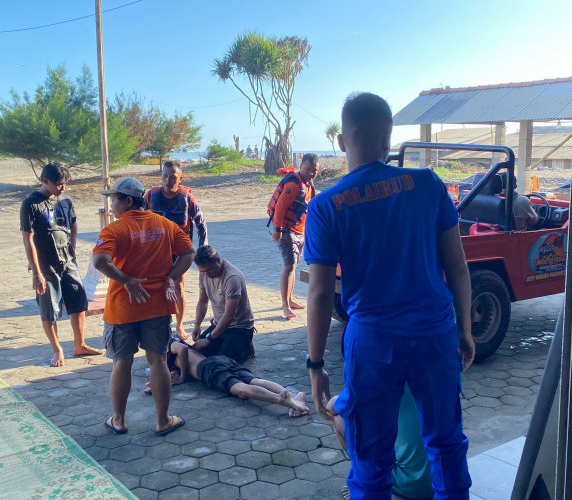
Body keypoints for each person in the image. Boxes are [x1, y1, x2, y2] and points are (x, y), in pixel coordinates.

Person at [305, 92, 474, 499]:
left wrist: (315, 365)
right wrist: (465, 331)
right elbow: (457, 268)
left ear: (341, 142)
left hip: (373, 345)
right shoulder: (428, 184)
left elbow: (321, 294)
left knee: (370, 459)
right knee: (446, 447)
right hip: (435, 337)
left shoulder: (326, 206)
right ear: (389, 138)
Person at [93, 176, 196, 436]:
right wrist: (171, 277)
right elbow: (189, 252)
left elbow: (100, 261)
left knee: (121, 364)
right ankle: (163, 421)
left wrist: (127, 281)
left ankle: (119, 420)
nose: (111, 206)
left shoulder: (114, 230)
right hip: (157, 307)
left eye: (114, 200)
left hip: (122, 309)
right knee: (158, 362)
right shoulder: (165, 225)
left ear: (128, 201)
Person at [20, 162, 102, 368]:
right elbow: (28, 239)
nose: (63, 188)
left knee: (79, 300)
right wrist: (36, 273)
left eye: (65, 183)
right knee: (49, 308)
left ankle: (79, 344)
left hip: (68, 261)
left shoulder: (65, 201)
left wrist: (72, 246)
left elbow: (73, 223)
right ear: (45, 181)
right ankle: (57, 349)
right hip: (45, 265)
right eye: (58, 184)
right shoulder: (30, 204)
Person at [144, 338, 309, 417]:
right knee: (254, 380)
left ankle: (282, 400)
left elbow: (182, 349)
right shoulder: (165, 351)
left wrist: (182, 376)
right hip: (220, 360)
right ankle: (294, 397)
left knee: (240, 390)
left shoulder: (167, 342)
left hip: (208, 368)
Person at [146, 160, 208, 339]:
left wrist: (203, 248)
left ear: (180, 178)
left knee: (178, 287)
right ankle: (156, 324)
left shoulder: (188, 199)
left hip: (180, 252)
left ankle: (179, 326)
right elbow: (138, 220)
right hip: (156, 251)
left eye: (172, 177)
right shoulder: (150, 196)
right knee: (156, 286)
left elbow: (201, 225)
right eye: (165, 176)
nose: (168, 180)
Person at [269, 153, 318, 319]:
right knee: (289, 267)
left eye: (314, 170)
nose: (311, 173)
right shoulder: (294, 184)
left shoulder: (308, 183)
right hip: (287, 231)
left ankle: (289, 300)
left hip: (299, 231)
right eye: (308, 169)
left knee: (293, 266)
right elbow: (280, 207)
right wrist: (278, 230)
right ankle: (285, 306)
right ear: (301, 166)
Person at [191, 245, 255, 364]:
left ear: (218, 260)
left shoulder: (232, 277)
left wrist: (209, 339)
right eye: (202, 271)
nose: (207, 274)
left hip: (239, 328)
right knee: (194, 353)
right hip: (218, 325)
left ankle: (245, 347)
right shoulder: (203, 273)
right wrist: (197, 325)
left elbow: (229, 316)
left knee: (222, 363)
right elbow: (203, 301)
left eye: (209, 270)